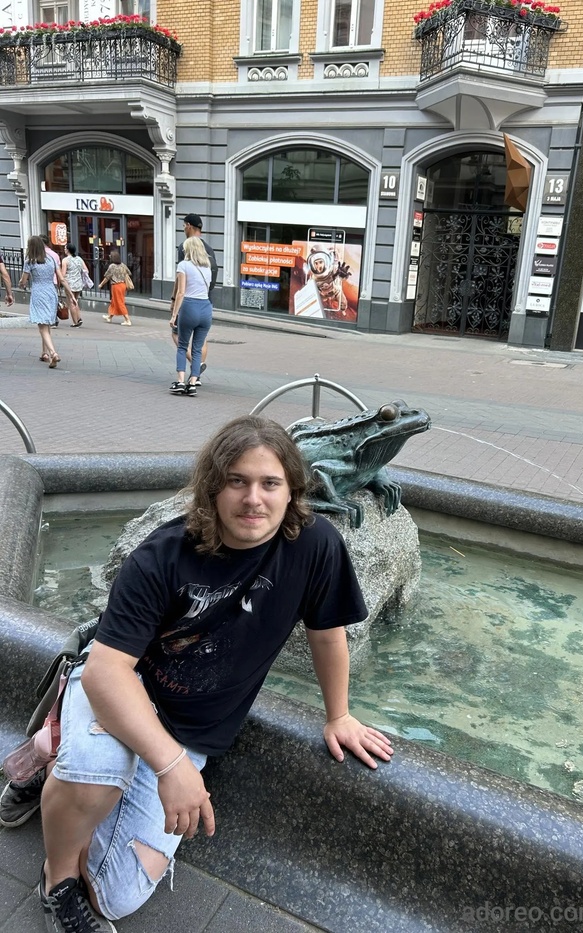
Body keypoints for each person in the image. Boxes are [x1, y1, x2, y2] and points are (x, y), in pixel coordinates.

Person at [10, 415, 392, 932]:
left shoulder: (315, 545)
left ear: (292, 491)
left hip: (193, 727)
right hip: (126, 686)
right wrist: (170, 767)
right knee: (97, 771)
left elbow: (327, 634)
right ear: (213, 487)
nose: (253, 499)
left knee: (117, 895)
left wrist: (338, 715)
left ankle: (54, 755)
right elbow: (107, 672)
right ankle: (57, 881)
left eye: (270, 483)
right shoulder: (162, 555)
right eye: (237, 481)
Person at [170, 213, 217, 383]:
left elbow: (180, 283)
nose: (183, 228)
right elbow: (212, 281)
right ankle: (195, 377)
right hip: (206, 303)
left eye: (184, 225)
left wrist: (174, 303)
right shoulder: (209, 252)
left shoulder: (184, 248)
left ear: (189, 225)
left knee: (179, 339)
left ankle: (185, 376)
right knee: (200, 342)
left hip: (189, 302)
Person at [18, 236, 78, 368]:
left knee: (42, 326)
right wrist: (71, 295)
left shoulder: (30, 261)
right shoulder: (51, 259)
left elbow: (24, 280)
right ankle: (47, 355)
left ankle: (53, 353)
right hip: (51, 292)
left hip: (39, 293)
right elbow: (62, 279)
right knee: (47, 324)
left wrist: (21, 284)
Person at [99, 251, 132, 325]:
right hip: (123, 285)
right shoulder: (123, 265)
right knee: (114, 301)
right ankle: (109, 317)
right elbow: (129, 273)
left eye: (110, 256)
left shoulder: (112, 266)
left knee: (120, 302)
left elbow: (107, 277)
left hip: (116, 286)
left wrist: (101, 284)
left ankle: (127, 320)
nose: (109, 257)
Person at [61, 244, 88, 327]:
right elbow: (86, 270)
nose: (64, 249)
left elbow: (63, 274)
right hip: (78, 283)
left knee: (71, 302)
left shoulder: (65, 260)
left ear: (68, 250)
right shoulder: (79, 259)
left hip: (70, 284)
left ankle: (75, 322)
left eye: (65, 248)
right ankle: (79, 318)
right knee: (75, 300)